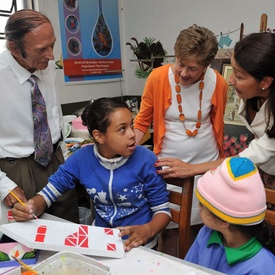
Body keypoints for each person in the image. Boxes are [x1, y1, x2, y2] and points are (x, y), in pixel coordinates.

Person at [11, 97, 171, 252]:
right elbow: (49, 193)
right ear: (99, 136)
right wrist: (31, 206)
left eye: (131, 125)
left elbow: (162, 210)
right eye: (122, 129)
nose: (132, 134)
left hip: (141, 246)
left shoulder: (146, 160)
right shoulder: (82, 159)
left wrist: (149, 229)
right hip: (101, 242)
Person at [134, 24, 228, 255]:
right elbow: (141, 122)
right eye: (180, 63)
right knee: (169, 226)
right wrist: (123, 152)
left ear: (207, 65)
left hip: (205, 167)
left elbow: (219, 128)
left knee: (204, 226)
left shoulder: (219, 83)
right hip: (168, 168)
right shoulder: (158, 77)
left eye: (193, 68)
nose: (184, 72)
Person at [156, 32, 275, 196]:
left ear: (266, 82)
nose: (231, 80)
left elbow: (254, 153)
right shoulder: (252, 96)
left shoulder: (216, 84)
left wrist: (193, 168)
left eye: (238, 76)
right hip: (261, 168)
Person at [0, 9, 79, 237]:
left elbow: (53, 115)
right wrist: (5, 186)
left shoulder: (46, 65)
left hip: (55, 163)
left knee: (68, 233)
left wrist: (65, 159)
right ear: (15, 48)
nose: (51, 55)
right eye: (41, 49)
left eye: (52, 45)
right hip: (16, 170)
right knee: (26, 242)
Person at [185, 157, 275, 274]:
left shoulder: (262, 267)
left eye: (202, 205)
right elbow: (186, 269)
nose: (198, 207)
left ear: (224, 221)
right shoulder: (206, 234)